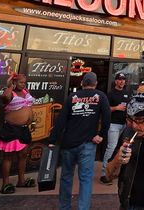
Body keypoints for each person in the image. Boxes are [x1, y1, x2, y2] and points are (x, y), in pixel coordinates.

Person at [48, 72, 111, 210]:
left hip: (68, 143)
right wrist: (101, 135)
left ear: (82, 83)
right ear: (95, 83)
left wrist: (52, 139)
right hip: (88, 144)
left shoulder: (72, 97)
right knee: (86, 179)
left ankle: (64, 207)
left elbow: (61, 120)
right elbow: (107, 117)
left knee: (66, 177)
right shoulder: (101, 96)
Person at [0, 73, 35, 194]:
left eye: (24, 82)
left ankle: (21, 180)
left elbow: (29, 107)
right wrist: (10, 86)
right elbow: (4, 97)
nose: (23, 84)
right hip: (11, 128)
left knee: (23, 155)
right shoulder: (10, 93)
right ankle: (5, 183)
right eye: (21, 82)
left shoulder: (25, 92)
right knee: (8, 157)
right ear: (14, 83)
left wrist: (32, 121)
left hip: (24, 128)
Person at [101, 72, 131, 185]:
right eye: (119, 79)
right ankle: (104, 173)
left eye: (123, 79)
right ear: (116, 81)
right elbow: (105, 109)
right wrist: (116, 108)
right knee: (111, 147)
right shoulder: (110, 94)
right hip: (113, 124)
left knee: (121, 148)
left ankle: (114, 171)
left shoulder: (127, 93)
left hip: (125, 125)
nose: (122, 81)